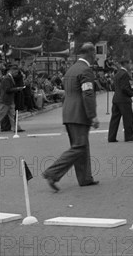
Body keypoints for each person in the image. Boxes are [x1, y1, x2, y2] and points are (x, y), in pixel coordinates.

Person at [42, 43, 100, 192]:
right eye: (95, 54)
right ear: (91, 53)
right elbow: (87, 94)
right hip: (79, 114)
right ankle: (53, 172)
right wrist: (92, 116)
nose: (95, 57)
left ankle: (85, 178)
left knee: (81, 146)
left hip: (68, 113)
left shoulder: (71, 69)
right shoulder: (85, 70)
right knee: (79, 146)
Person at [108, 59, 133, 142]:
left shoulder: (117, 74)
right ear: (125, 64)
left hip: (116, 98)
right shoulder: (125, 74)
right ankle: (129, 136)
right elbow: (124, 87)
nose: (130, 65)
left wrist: (131, 89)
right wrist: (131, 93)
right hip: (124, 99)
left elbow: (115, 86)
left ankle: (111, 137)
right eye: (129, 63)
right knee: (128, 118)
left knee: (114, 119)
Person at [0, 64, 26, 132]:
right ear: (11, 71)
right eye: (15, 72)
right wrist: (17, 89)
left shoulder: (9, 78)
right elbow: (7, 90)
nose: (16, 74)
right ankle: (16, 128)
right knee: (1, 116)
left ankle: (16, 128)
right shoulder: (7, 78)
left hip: (9, 100)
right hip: (5, 100)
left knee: (12, 115)